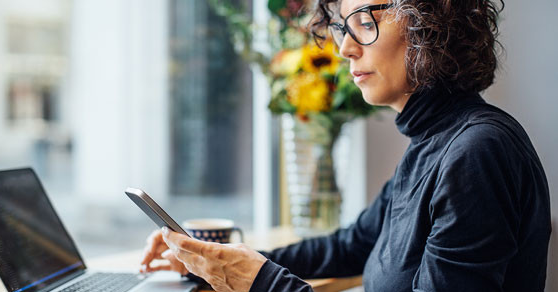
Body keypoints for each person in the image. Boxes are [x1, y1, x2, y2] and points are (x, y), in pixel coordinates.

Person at [140, 0, 552, 291]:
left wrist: (262, 282)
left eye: (365, 20)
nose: (344, 47)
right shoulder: (433, 144)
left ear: (431, 21)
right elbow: (349, 247)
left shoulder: (476, 152)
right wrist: (216, 263)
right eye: (342, 25)